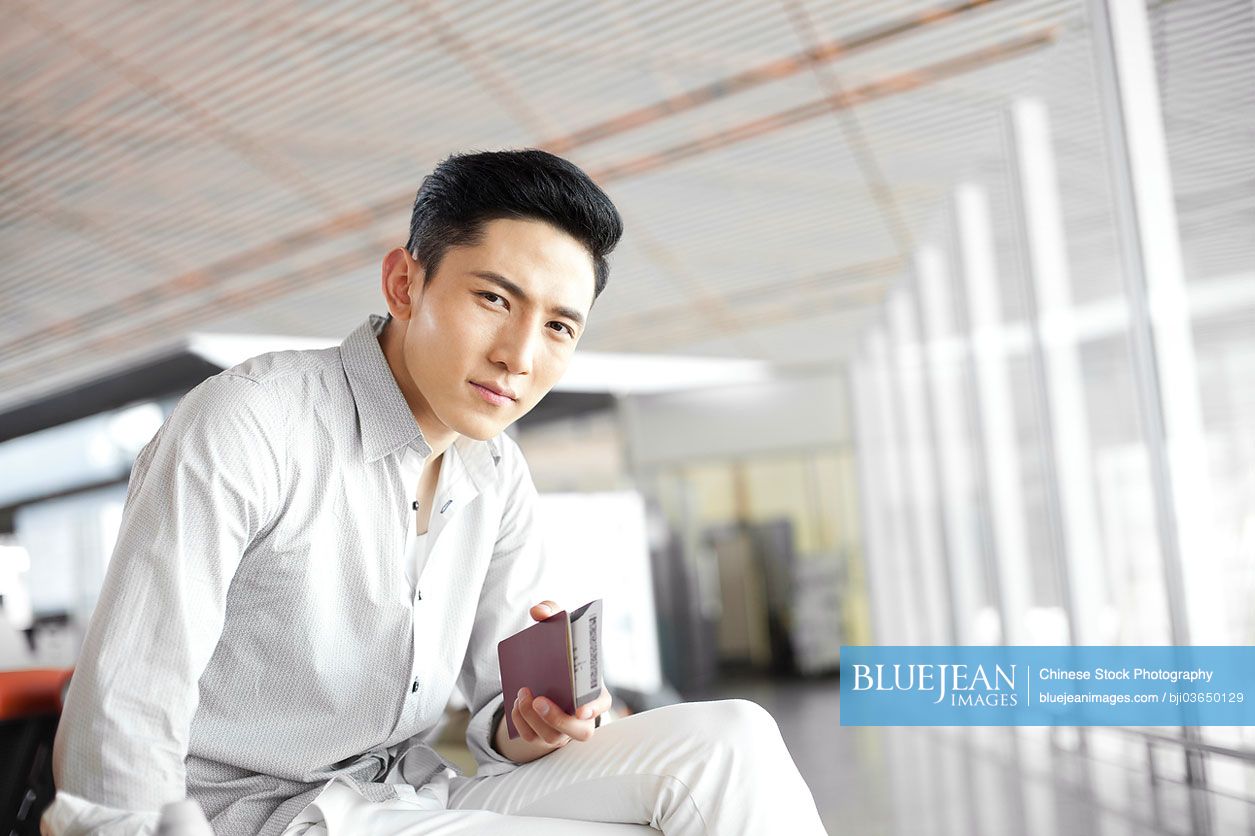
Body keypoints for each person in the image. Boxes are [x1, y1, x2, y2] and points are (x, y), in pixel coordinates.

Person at [43, 150, 827, 836]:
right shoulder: (253, 422)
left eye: (559, 327)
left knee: (735, 740)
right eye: (494, 299)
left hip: (408, 794)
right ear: (405, 282)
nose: (519, 355)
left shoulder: (495, 472)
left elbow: (499, 721)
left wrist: (539, 720)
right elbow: (124, 702)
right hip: (261, 814)